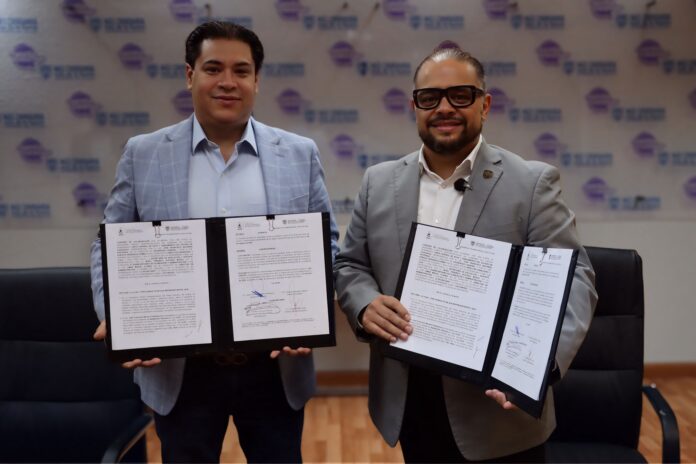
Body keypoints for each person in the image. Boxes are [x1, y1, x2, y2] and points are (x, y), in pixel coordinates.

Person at [90, 21, 338, 463]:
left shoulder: (299, 154)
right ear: (190, 75)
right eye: (213, 68)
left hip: (275, 365)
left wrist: (313, 309)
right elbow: (107, 246)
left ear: (256, 80)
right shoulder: (143, 153)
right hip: (180, 368)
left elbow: (326, 245)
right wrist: (116, 314)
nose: (228, 81)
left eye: (241, 71)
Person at [334, 46, 597, 462]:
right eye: (430, 97)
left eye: (460, 95)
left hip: (498, 407)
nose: (444, 108)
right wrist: (365, 304)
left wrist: (537, 366)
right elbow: (351, 264)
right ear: (414, 107)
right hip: (409, 397)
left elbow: (575, 278)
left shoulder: (532, 183)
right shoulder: (378, 183)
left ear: (485, 105)